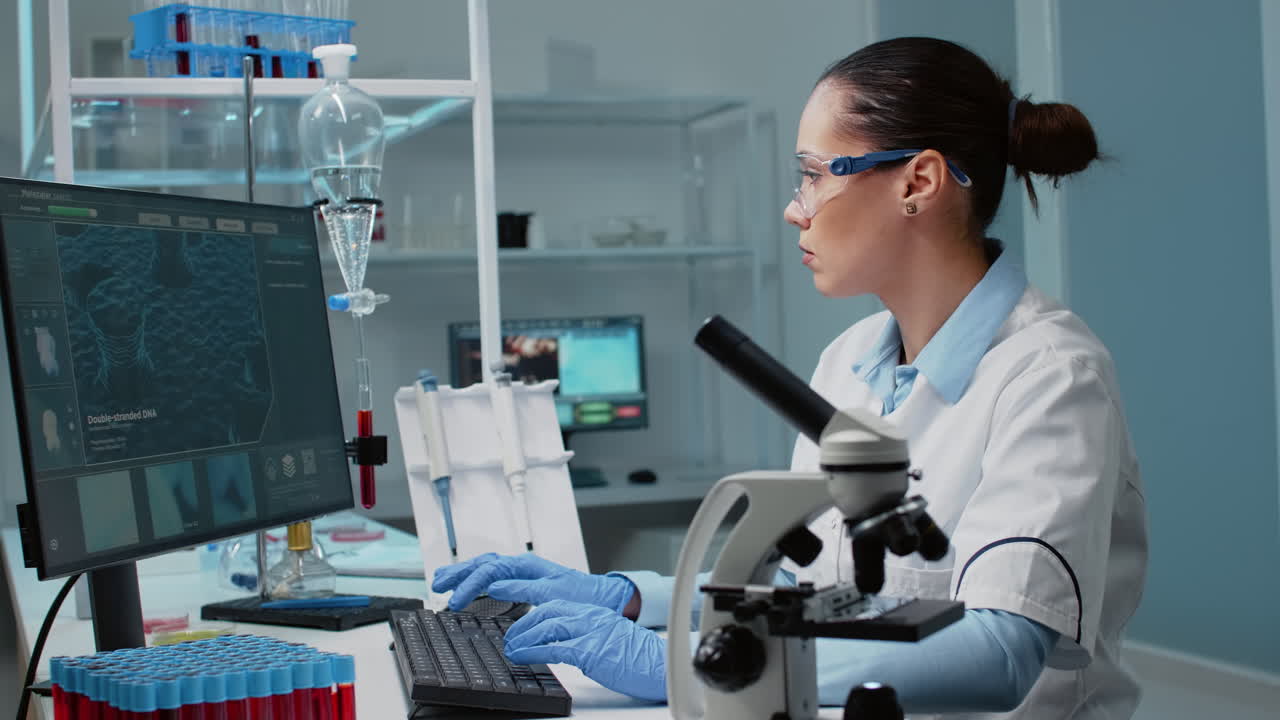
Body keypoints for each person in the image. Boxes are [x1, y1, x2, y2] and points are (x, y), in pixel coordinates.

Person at [431, 37, 1146, 719]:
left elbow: (1000, 654)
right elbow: (807, 593)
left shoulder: (1051, 376)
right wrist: (629, 598)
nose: (794, 206)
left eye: (814, 174)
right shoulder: (851, 359)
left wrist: (681, 664)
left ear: (918, 183)